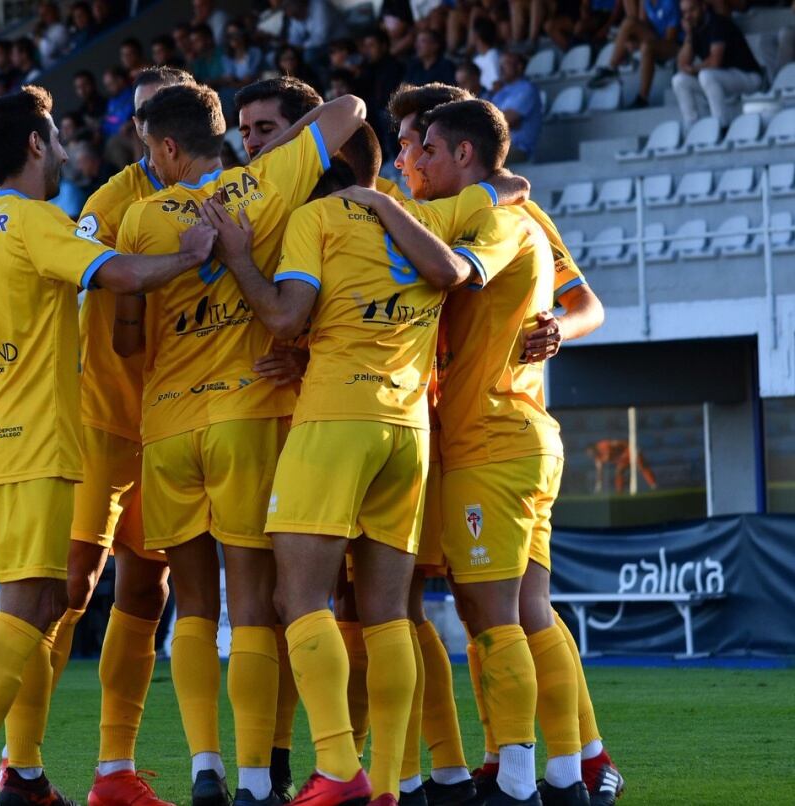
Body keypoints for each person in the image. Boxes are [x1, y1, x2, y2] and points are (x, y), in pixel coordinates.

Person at [0, 84, 215, 806]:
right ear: (32, 145)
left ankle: (24, 774)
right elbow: (119, 272)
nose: (61, 153)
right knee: (26, 606)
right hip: (34, 437)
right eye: (54, 141)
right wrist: (192, 254)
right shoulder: (33, 220)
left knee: (46, 600)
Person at [200, 121, 505, 806]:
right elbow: (494, 200)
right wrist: (384, 199)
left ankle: (339, 767)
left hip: (335, 420)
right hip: (407, 432)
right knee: (387, 612)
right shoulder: (426, 216)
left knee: (297, 597)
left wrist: (241, 257)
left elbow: (284, 315)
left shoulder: (316, 217)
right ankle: (395, 783)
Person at [112, 83, 365, 806]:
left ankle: (205, 768)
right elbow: (349, 109)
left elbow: (125, 336)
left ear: (164, 147)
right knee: (253, 607)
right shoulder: (263, 182)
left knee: (192, 608)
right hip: (249, 415)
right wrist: (279, 158)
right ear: (222, 134)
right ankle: (258, 778)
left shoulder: (137, 215)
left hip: (165, 425)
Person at [386, 82, 618, 806]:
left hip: (486, 427)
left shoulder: (505, 214)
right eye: (399, 145)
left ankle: (545, 767)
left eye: (416, 143)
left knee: (473, 609)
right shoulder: (472, 206)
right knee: (510, 607)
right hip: (468, 428)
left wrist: (559, 329)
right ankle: (549, 761)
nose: (405, 158)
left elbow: (586, 305)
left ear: (455, 150)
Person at [671, 0, 762, 126]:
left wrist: (694, 69)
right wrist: (688, 35)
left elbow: (715, 62)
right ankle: (692, 127)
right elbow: (681, 65)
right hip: (723, 80)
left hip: (748, 77)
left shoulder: (717, 23)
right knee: (679, 80)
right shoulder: (695, 29)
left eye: (692, 10)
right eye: (684, 12)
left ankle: (720, 125)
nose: (688, 16)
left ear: (703, 7)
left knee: (706, 75)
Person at [589, 0, 682, 109]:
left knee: (646, 47)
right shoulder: (647, 2)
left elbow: (670, 38)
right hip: (656, 39)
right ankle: (611, 68)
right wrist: (633, 41)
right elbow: (644, 26)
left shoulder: (669, 3)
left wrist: (641, 44)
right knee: (630, 22)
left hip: (674, 45)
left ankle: (642, 98)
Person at [491, 52, 543, 162]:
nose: (501, 68)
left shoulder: (527, 89)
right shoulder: (500, 92)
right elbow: (491, 120)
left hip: (519, 149)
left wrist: (501, 121)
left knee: (481, 158)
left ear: (519, 67)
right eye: (500, 64)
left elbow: (505, 120)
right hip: (499, 147)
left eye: (506, 64)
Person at [37, 1, 70, 67]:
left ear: (54, 11)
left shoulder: (61, 29)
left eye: (46, 13)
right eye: (41, 15)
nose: (43, 17)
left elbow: (49, 52)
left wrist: (39, 39)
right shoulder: (46, 31)